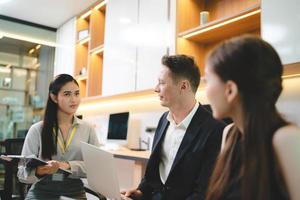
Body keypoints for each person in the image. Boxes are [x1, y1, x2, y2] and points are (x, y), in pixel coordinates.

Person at [204, 35, 300, 200]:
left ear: (230, 90)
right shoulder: (229, 134)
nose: (205, 91)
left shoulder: (286, 138)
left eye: (207, 80)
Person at [123, 55, 225, 200]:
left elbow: (203, 193)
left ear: (183, 86)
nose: (155, 89)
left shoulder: (215, 130)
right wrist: (141, 192)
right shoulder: (163, 120)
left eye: (161, 83)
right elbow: (153, 174)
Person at [18, 74, 99, 200]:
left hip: (74, 192)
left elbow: (96, 167)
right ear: (54, 97)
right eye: (67, 94)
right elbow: (21, 173)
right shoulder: (37, 129)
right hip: (41, 192)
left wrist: (67, 165)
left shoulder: (87, 129)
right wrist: (40, 171)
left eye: (77, 93)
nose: (74, 99)